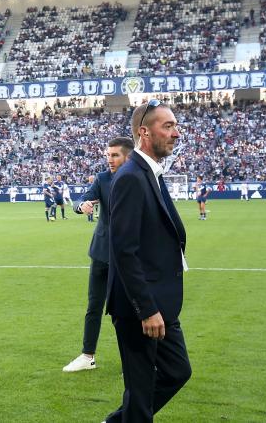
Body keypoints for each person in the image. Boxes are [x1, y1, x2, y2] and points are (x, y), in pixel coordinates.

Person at [104, 100, 191, 422]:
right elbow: (123, 250)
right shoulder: (131, 177)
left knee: (177, 371)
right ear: (144, 132)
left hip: (161, 302)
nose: (176, 133)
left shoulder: (150, 173)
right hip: (140, 307)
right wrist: (147, 308)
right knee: (140, 393)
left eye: (175, 126)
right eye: (167, 126)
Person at [63, 136, 134, 373]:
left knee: (128, 309)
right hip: (101, 253)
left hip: (128, 257)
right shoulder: (103, 179)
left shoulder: (139, 180)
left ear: (128, 157)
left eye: (115, 155)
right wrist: (81, 206)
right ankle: (87, 355)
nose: (110, 160)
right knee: (94, 306)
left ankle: (137, 358)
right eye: (108, 155)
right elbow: (82, 198)